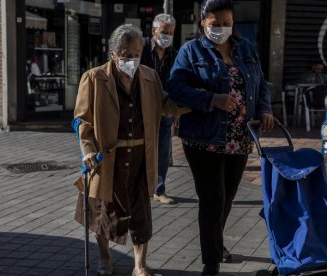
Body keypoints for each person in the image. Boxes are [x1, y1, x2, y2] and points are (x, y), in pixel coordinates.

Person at [167, 0, 274, 275]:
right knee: (212, 199)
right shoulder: (191, 51)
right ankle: (210, 262)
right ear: (203, 22)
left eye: (227, 23)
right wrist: (212, 99)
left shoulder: (246, 49)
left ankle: (216, 245)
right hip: (204, 138)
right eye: (215, 25)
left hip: (239, 137)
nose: (222, 29)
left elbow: (261, 83)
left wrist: (264, 109)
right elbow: (176, 87)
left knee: (227, 198)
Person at [74, 24, 188, 276]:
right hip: (107, 159)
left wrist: (195, 101)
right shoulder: (93, 78)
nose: (132, 60)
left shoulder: (149, 77)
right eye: (126, 55)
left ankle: (139, 266)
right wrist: (88, 149)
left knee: (141, 214)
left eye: (136, 53)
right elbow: (82, 120)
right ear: (113, 54)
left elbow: (166, 105)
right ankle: (105, 260)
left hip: (139, 158)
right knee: (103, 213)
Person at [141, 13, 178, 205]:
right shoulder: (141, 47)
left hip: (165, 109)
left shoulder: (174, 53)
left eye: (171, 33)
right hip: (142, 108)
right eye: (164, 32)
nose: (167, 36)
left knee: (163, 150)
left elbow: (177, 81)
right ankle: (139, 188)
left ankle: (159, 190)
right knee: (140, 147)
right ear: (154, 31)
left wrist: (175, 108)